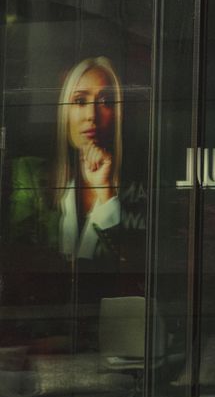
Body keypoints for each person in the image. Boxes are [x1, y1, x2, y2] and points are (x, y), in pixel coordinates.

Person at [6, 57, 143, 265]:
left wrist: (106, 195)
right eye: (80, 101)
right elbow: (17, 257)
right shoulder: (29, 174)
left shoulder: (139, 185)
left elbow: (131, 267)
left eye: (105, 101)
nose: (91, 116)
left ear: (118, 114)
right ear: (65, 112)